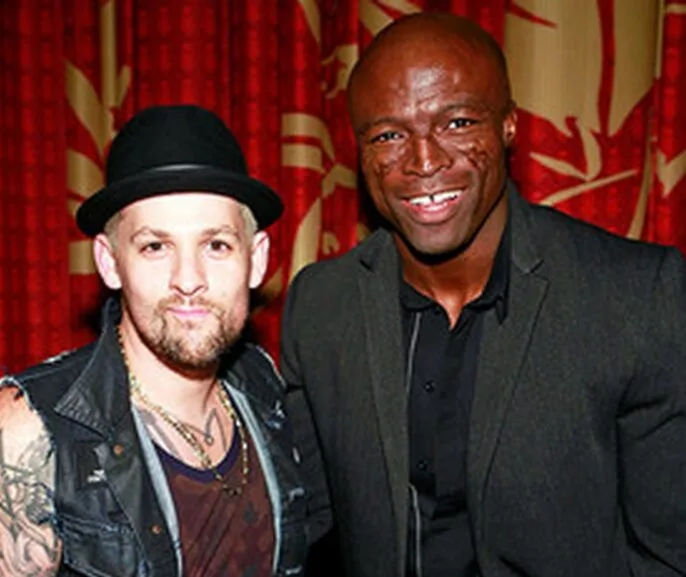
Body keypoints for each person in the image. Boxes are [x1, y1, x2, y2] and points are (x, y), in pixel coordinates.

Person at [282, 11, 686, 577]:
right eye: (389, 135)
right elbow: (307, 533)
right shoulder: (321, 306)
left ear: (508, 126)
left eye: (457, 123)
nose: (424, 162)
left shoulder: (635, 297)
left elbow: (669, 553)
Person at [0, 105, 310, 577]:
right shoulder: (23, 429)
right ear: (110, 262)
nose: (188, 279)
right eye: (155, 247)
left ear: (256, 260)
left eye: (216, 245)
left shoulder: (263, 388)